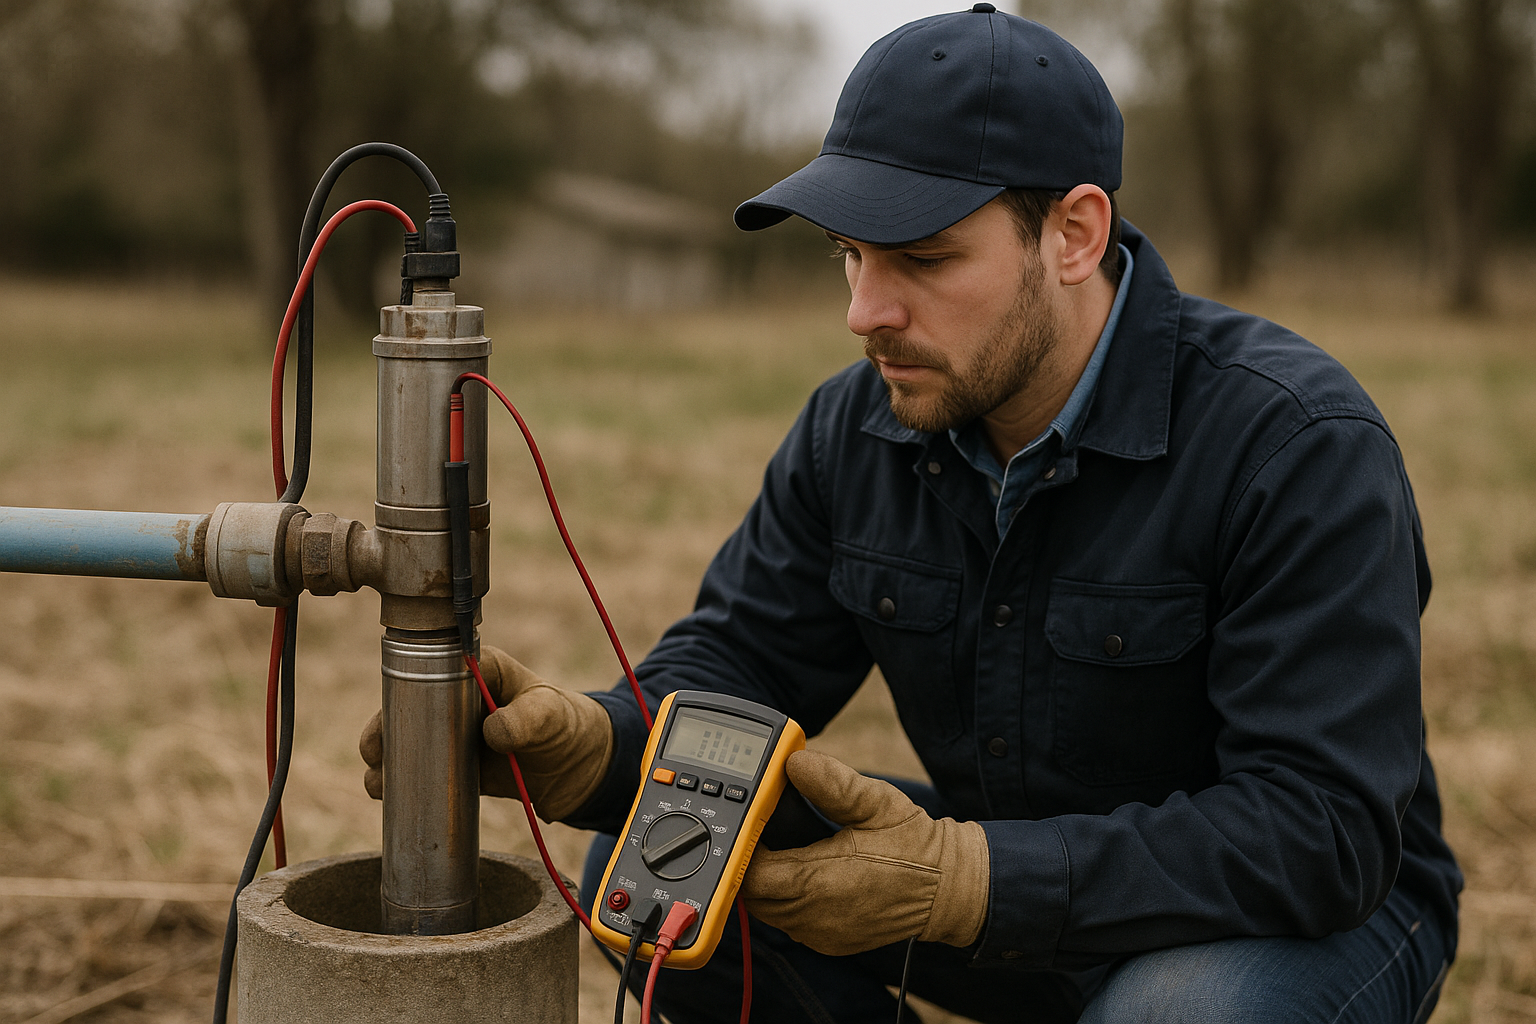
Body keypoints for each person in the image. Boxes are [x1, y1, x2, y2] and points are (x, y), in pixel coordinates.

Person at [363, 7, 1461, 1021]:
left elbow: (1321, 831)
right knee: (657, 867)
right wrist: (598, 744)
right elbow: (744, 661)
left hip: (1303, 920)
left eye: (925, 259)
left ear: (1075, 234)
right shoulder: (858, 429)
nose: (863, 312)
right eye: (848, 255)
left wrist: (964, 882)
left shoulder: (1295, 443)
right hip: (1007, 886)